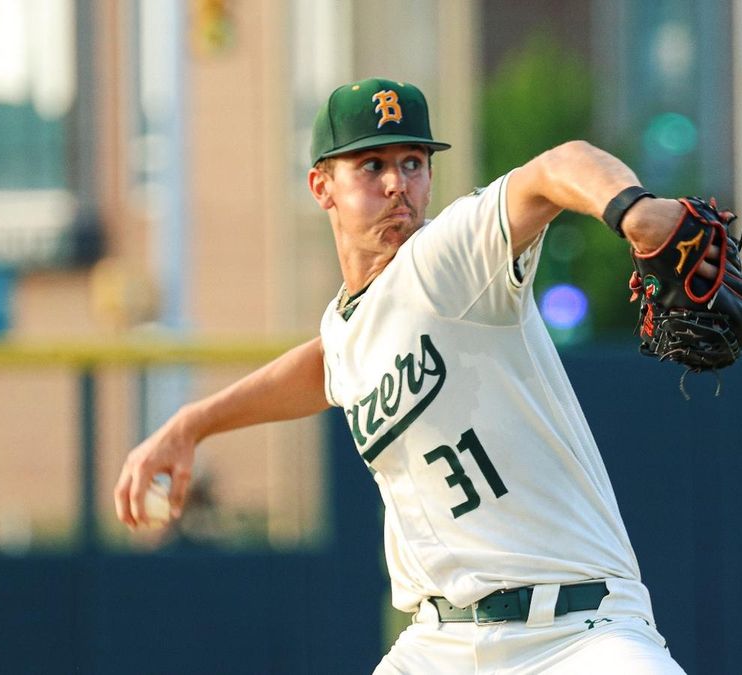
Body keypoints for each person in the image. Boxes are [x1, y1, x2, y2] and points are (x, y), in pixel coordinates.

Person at [114, 77, 706, 673]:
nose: (398, 183)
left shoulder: (447, 256)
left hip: (578, 632)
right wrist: (194, 423)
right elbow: (326, 362)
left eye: (413, 162)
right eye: (371, 165)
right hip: (442, 643)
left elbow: (559, 165)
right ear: (322, 185)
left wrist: (631, 206)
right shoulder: (348, 328)